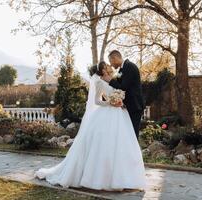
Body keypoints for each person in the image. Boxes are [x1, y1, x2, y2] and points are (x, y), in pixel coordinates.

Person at [35, 61, 146, 191]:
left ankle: (124, 176)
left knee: (120, 144)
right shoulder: (98, 82)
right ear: (103, 70)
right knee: (104, 144)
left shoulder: (113, 79)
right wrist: (110, 103)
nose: (110, 66)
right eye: (107, 66)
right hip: (107, 113)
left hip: (119, 114)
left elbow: (121, 90)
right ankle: (101, 178)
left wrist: (120, 101)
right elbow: (97, 101)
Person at [102, 50, 144, 139]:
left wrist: (110, 80)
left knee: (133, 132)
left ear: (115, 58)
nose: (111, 64)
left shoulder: (130, 66)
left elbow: (123, 87)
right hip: (128, 105)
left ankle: (134, 152)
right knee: (128, 132)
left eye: (110, 61)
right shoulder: (122, 69)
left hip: (135, 105)